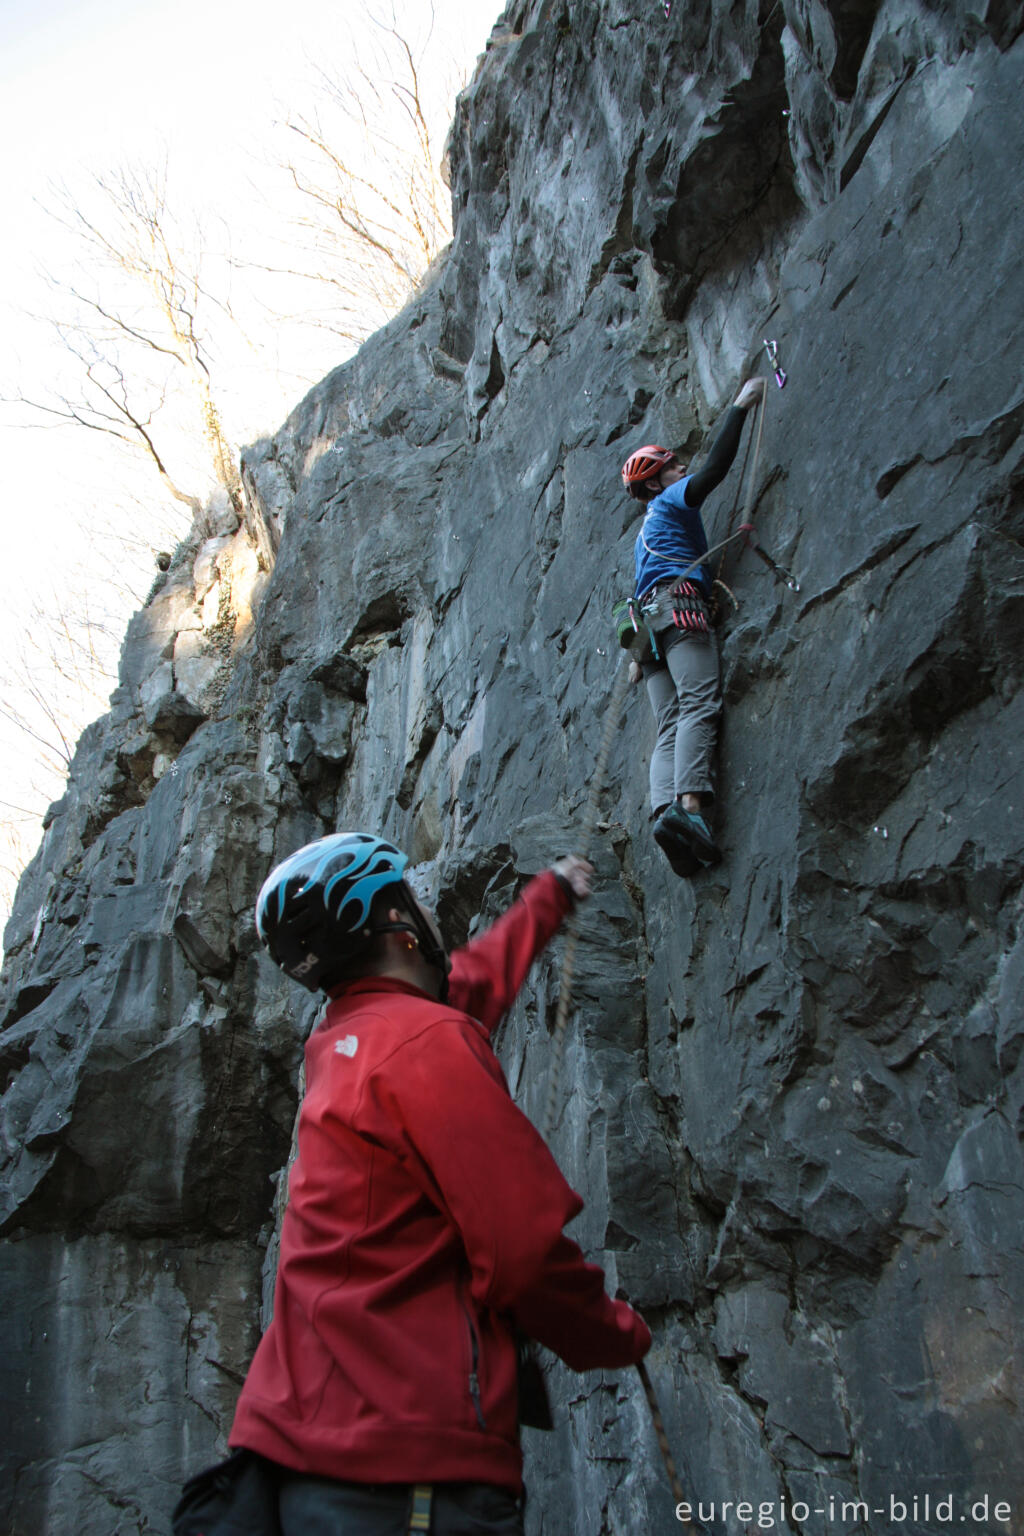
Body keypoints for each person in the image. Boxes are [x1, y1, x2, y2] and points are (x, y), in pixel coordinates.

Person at [228, 832, 651, 1535]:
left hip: (315, 1463)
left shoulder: (349, 1042)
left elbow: (460, 994)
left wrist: (546, 902)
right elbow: (521, 1253)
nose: (426, 910)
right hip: (406, 1478)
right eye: (414, 900)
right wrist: (615, 1334)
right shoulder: (421, 1047)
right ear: (398, 925)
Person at [620, 376, 766, 877]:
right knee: (699, 701)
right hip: (679, 612)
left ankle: (664, 816)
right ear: (658, 483)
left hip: (647, 631)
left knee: (669, 721)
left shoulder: (641, 540)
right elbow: (714, 472)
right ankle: (689, 811)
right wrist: (740, 409)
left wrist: (637, 659)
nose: (683, 471)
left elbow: (642, 593)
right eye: (673, 468)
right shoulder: (667, 503)